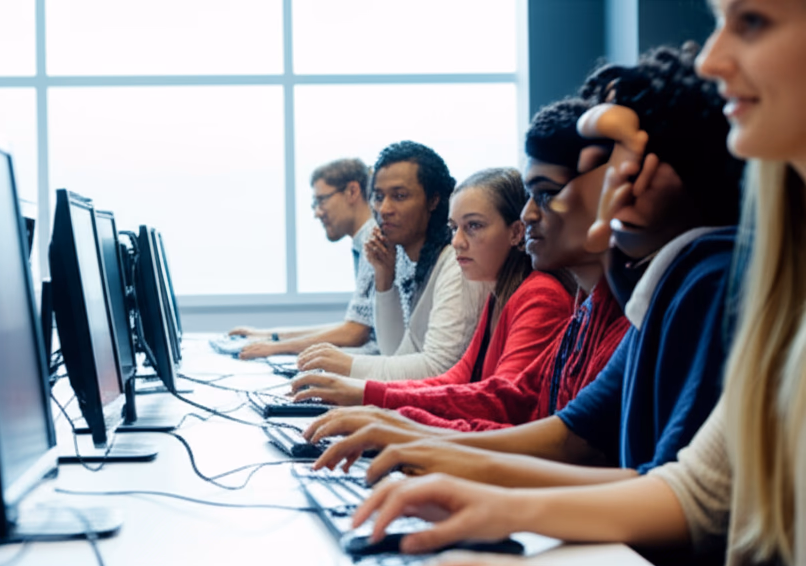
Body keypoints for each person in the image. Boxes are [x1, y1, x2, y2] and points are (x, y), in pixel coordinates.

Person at [351, 2, 806, 566]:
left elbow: (677, 510)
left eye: (753, 21)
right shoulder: (662, 290)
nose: (713, 58)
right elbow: (688, 490)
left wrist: (438, 455)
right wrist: (478, 490)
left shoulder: (707, 280)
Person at [308, 44, 744, 492]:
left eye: (608, 169)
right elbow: (559, 427)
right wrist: (408, 432)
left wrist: (422, 442)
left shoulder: (702, 283)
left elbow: (615, 468)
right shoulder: (606, 302)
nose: (530, 214)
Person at [289, 100, 622, 419]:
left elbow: (501, 405)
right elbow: (431, 370)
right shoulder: (500, 294)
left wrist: (377, 405)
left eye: (473, 226)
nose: (384, 209)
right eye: (454, 228)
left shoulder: (535, 293)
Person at [296, 141, 489, 380]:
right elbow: (395, 353)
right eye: (378, 197)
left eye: (399, 196)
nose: (384, 208)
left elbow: (437, 368)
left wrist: (345, 365)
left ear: (433, 200)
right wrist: (384, 278)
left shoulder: (455, 263)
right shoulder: (415, 261)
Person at [230, 158, 378, 359]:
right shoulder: (362, 243)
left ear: (352, 191)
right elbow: (353, 325)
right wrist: (270, 336)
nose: (317, 212)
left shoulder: (374, 241)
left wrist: (276, 348)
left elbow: (355, 333)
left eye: (322, 200)